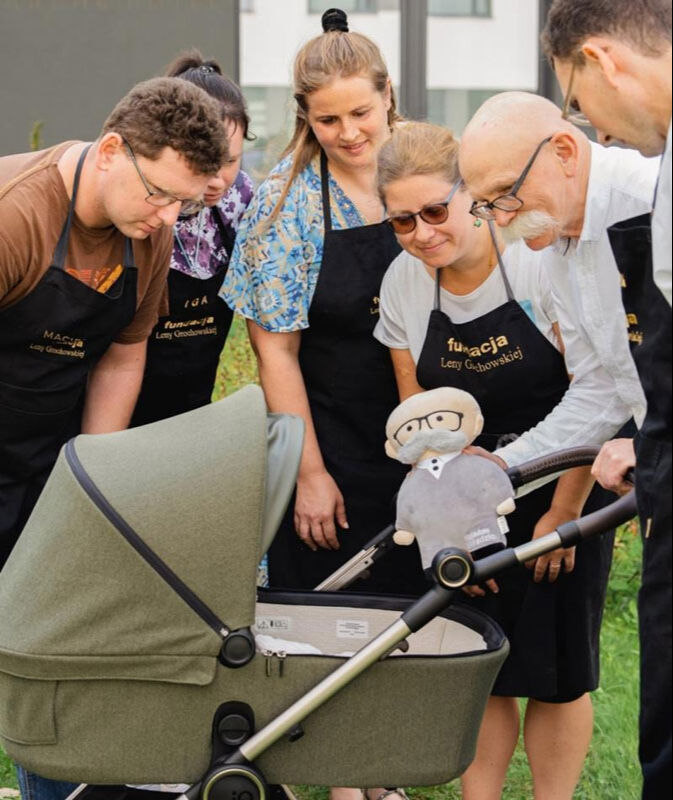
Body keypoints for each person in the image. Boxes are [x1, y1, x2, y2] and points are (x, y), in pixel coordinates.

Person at [374, 120, 618, 800]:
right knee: (479, 664)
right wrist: (448, 527)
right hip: (463, 505)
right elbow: (417, 419)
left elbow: (592, 394)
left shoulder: (538, 261)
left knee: (558, 671)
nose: (421, 232)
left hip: (560, 487)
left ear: (469, 196)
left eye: (434, 210)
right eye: (401, 221)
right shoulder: (402, 284)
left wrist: (564, 514)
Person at [0, 77, 227, 800]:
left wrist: (88, 484)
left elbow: (125, 352)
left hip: (50, 452)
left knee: (54, 645)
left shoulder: (146, 236)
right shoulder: (16, 216)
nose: (168, 218)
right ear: (109, 152)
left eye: (185, 204)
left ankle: (52, 790)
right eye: (159, 194)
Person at [221, 8, 423, 800]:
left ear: (388, 99)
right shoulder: (286, 205)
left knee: (407, 621)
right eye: (328, 118)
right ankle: (341, 781)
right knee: (329, 622)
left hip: (418, 436)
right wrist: (307, 472)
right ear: (304, 117)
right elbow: (275, 349)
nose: (347, 132)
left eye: (361, 114)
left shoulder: (426, 174)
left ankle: (385, 773)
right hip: (327, 436)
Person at [543, 3, 672, 796]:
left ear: (601, 60)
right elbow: (602, 385)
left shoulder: (637, 184)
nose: (593, 123)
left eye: (575, 96)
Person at [130, 52, 254, 426]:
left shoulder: (242, 201)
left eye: (230, 161)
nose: (218, 179)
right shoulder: (140, 203)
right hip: (118, 407)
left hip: (197, 407)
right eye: (206, 160)